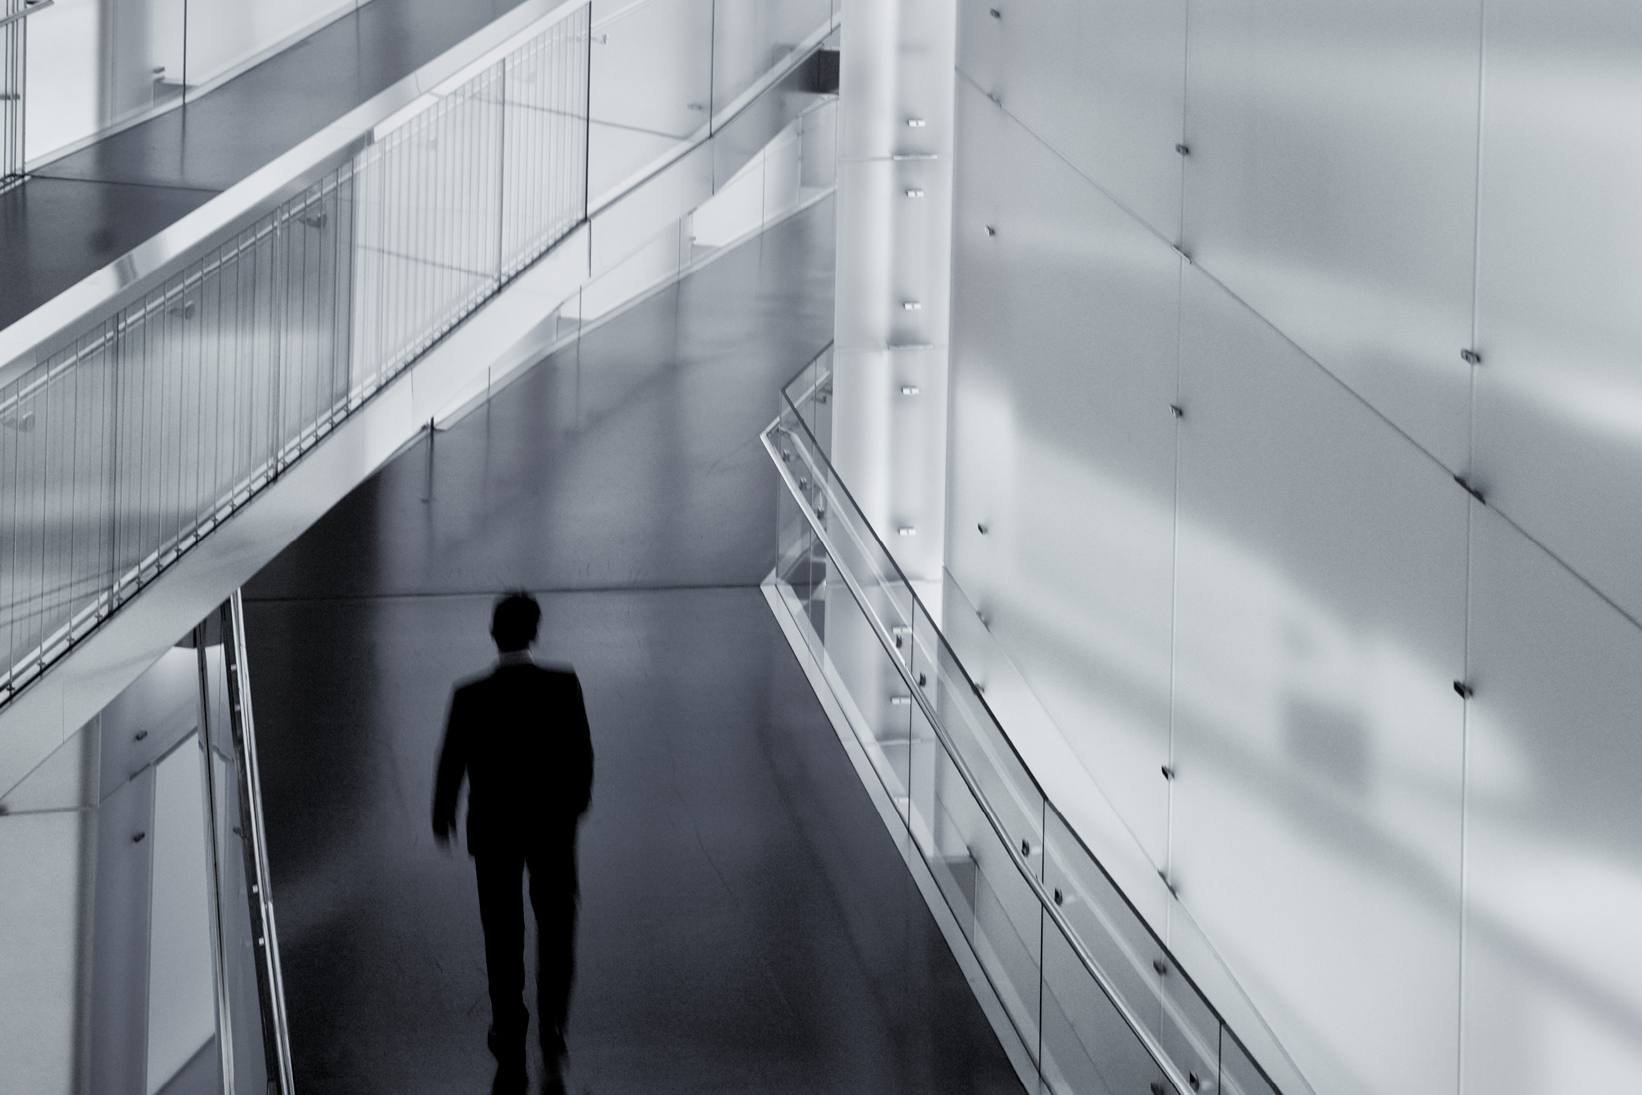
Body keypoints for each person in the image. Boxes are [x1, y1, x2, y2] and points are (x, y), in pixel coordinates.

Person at [433, 593, 594, 1095]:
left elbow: (452, 760)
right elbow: (581, 752)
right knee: (557, 926)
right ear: (535, 632)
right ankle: (554, 1026)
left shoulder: (469, 695)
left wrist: (443, 816)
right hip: (552, 827)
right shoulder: (563, 684)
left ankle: (508, 1024)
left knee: (501, 930)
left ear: (492, 633)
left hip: (494, 829)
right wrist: (574, 805)